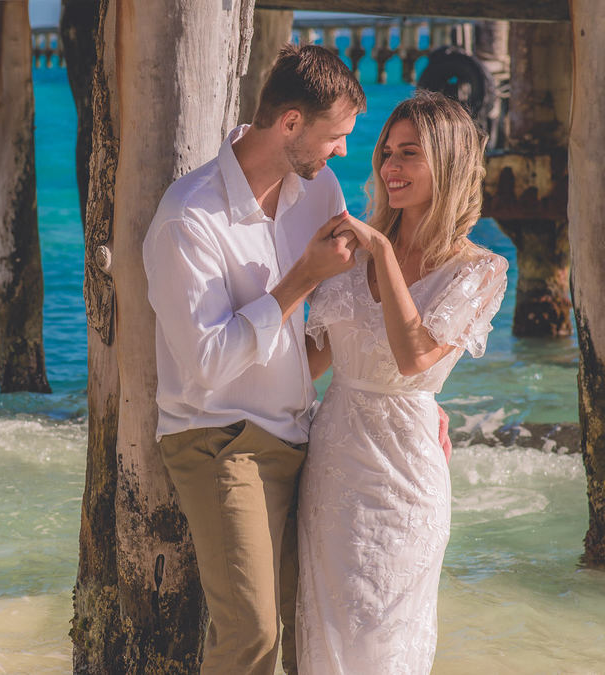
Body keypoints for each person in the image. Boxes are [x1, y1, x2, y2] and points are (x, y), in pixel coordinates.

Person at [142, 44, 364, 675]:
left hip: (302, 434)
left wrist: (408, 395)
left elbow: (347, 309)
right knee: (252, 636)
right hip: (220, 438)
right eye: (336, 136)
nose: (342, 152)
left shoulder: (319, 191)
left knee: (309, 629)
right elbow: (207, 364)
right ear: (291, 123)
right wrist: (300, 279)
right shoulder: (189, 217)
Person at [295, 90, 508, 674]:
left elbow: (414, 357)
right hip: (332, 461)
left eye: (409, 153)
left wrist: (384, 250)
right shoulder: (351, 257)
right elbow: (308, 364)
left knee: (384, 637)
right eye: (387, 152)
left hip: (405, 476)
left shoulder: (479, 271)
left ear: (449, 162)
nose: (390, 166)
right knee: (325, 632)